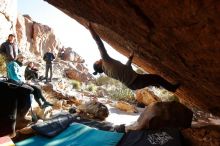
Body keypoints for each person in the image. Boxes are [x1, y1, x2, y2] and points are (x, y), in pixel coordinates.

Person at [88, 24, 179, 92]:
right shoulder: (106, 61)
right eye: (97, 61)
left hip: (133, 84)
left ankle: (156, 84)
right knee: (157, 78)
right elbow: (99, 43)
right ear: (99, 65)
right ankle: (172, 88)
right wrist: (91, 29)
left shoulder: (108, 72)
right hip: (136, 80)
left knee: (154, 80)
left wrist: (130, 58)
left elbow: (126, 69)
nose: (98, 59)